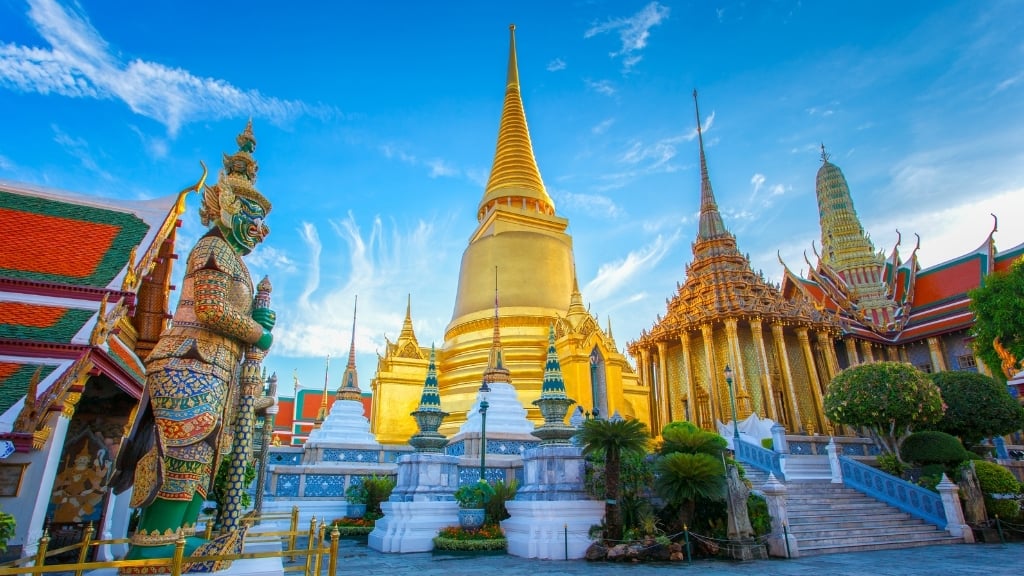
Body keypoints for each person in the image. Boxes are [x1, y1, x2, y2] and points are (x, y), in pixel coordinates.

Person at [110, 121, 275, 562]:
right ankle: (154, 548)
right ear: (227, 208)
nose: (260, 229)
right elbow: (211, 310)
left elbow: (231, 318)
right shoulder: (212, 250)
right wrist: (258, 330)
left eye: (263, 221)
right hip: (190, 360)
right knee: (182, 453)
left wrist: (256, 326)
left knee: (204, 458)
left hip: (214, 366)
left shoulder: (234, 261)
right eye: (253, 216)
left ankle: (179, 535)